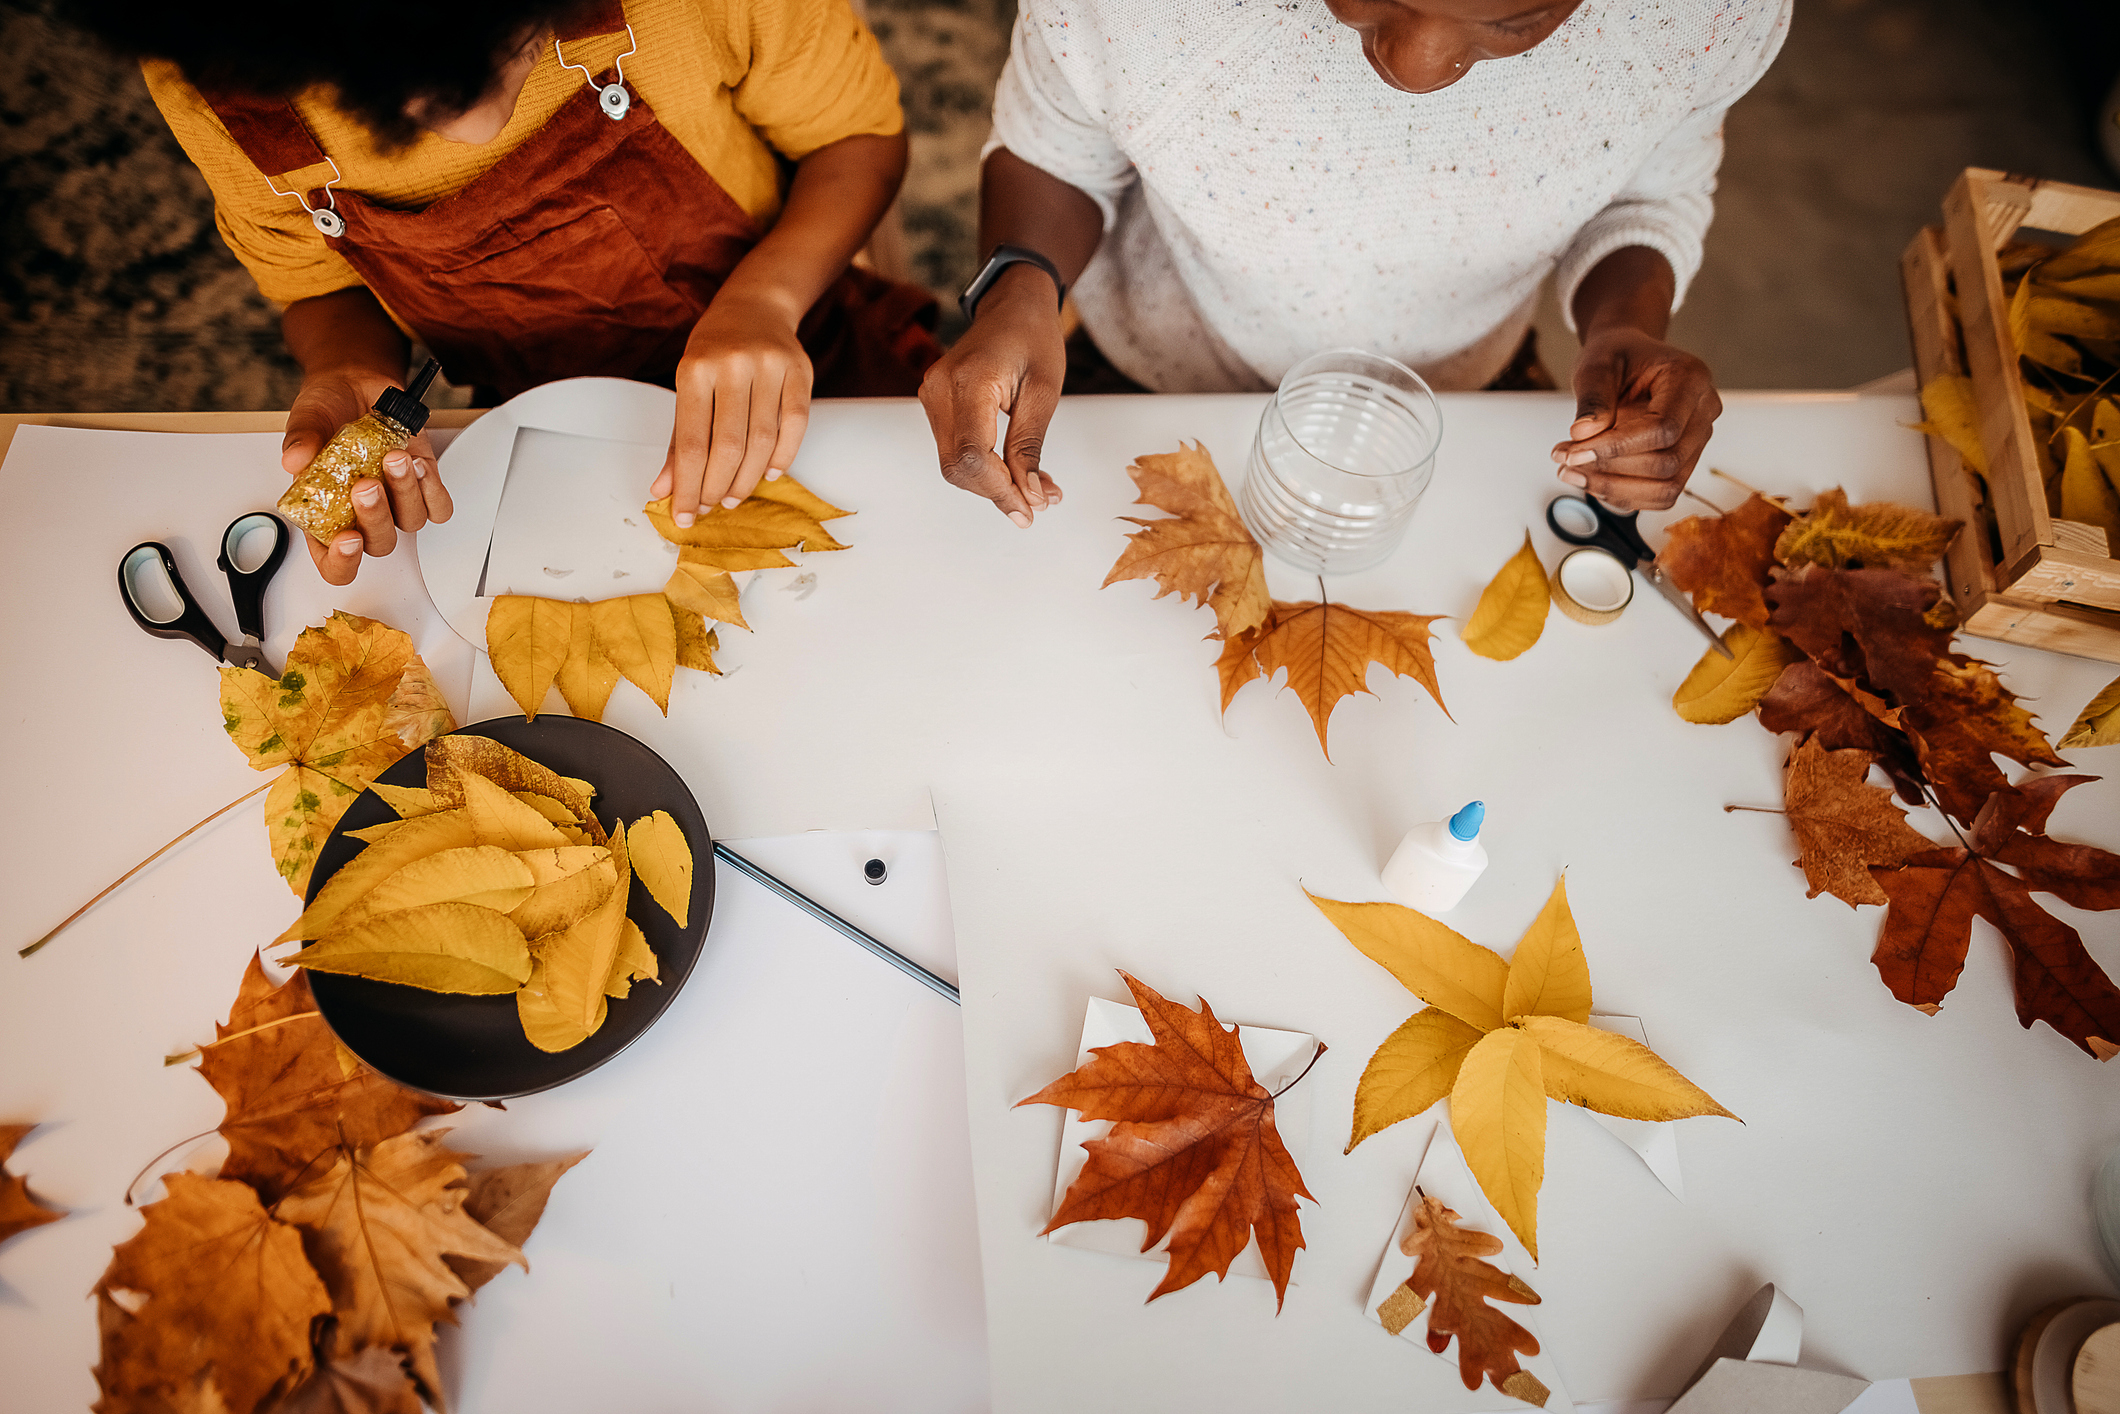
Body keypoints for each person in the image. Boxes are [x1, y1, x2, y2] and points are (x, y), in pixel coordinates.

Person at [66, 0, 937, 582]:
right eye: (412, 104)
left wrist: (769, 299)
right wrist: (347, 364)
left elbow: (859, 139)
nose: (478, 121)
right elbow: (318, 288)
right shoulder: (226, 88)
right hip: (524, 435)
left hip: (810, 343)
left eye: (514, 44)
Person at [920, 0, 1792, 526]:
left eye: (1513, 21)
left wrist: (1625, 322)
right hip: (1154, 366)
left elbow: (1648, 186)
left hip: (1459, 392)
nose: (1412, 67)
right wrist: (1016, 292)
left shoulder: (1702, 18)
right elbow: (1060, 149)